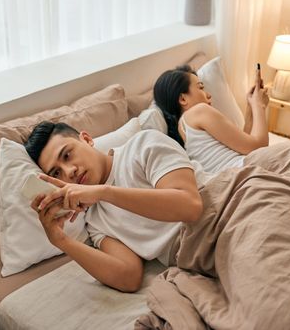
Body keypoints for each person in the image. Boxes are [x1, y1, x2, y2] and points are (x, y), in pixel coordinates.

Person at [24, 122, 212, 292]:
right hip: (198, 258)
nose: (69, 171)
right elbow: (129, 278)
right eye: (57, 173)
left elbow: (190, 206)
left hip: (224, 213)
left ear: (87, 139)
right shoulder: (96, 222)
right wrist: (61, 240)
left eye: (67, 155)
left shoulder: (142, 144)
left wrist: (105, 192)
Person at [153, 64, 269, 174]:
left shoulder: (183, 128)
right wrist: (259, 106)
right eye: (201, 88)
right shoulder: (198, 111)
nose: (208, 95)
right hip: (243, 170)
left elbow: (243, 146)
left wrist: (251, 107)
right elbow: (257, 147)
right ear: (183, 99)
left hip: (237, 170)